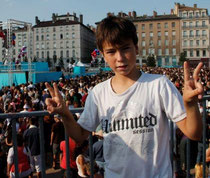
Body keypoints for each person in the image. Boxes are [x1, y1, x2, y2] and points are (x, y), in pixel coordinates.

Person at [45, 16, 203, 178]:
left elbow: (194, 133)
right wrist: (65, 114)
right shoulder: (98, 93)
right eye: (111, 51)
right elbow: (79, 135)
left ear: (136, 48)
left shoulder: (159, 85)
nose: (119, 58)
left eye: (125, 48)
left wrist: (190, 104)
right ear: (103, 55)